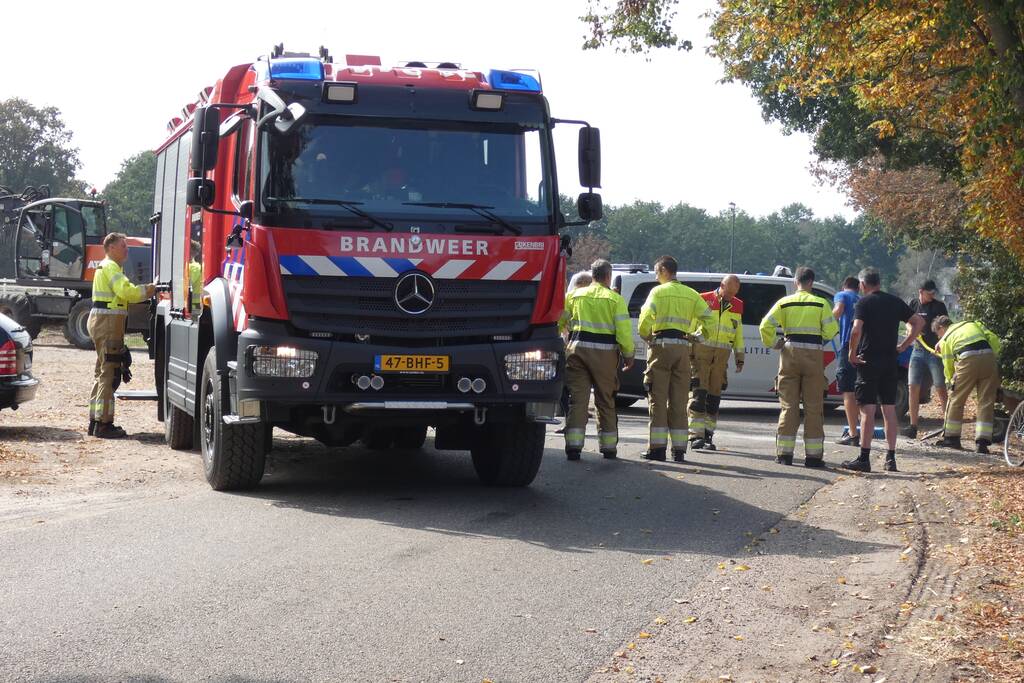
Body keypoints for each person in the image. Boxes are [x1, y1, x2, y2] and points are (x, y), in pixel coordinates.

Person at [840, 267, 925, 473]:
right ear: (879, 282)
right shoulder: (894, 301)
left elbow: (856, 329)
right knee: (889, 410)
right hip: (890, 361)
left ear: (862, 284)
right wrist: (904, 345)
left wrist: (852, 354)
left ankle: (864, 458)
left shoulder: (864, 302)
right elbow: (919, 322)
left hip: (868, 361)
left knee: (867, 411)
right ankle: (891, 458)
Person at [759, 267, 839, 467]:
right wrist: (820, 339)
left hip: (789, 353)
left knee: (789, 406)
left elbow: (764, 326)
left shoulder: (784, 303)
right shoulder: (821, 304)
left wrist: (774, 343)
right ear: (811, 282)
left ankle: (784, 454)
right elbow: (832, 330)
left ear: (796, 282)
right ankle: (813, 457)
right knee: (813, 407)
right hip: (813, 355)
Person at [638, 256, 712, 462]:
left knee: (658, 400)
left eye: (656, 272)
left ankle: (657, 449)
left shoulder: (657, 292)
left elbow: (644, 319)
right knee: (679, 401)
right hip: (682, 348)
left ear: (663, 270)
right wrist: (697, 337)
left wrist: (647, 336)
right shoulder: (692, 294)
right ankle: (679, 450)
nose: (655, 276)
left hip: (661, 346)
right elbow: (710, 319)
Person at [559, 260, 634, 460]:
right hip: (605, 355)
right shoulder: (614, 300)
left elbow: (560, 322)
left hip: (577, 352)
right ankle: (608, 448)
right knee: (605, 400)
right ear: (608, 276)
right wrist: (629, 355)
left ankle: (573, 446)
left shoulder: (573, 295)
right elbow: (624, 332)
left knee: (578, 400)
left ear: (593, 275)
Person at [87, 232, 156, 439]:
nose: (127, 249)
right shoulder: (110, 267)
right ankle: (104, 425)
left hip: (104, 322)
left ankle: (95, 421)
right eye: (123, 246)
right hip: (107, 324)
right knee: (109, 373)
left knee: (103, 372)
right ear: (111, 248)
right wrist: (151, 289)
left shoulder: (108, 267)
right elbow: (128, 293)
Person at [689, 274, 745, 451]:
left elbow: (738, 334)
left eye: (733, 294)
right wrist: (687, 349)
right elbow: (691, 326)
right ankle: (695, 436)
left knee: (714, 399)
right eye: (728, 293)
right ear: (721, 285)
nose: (731, 297)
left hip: (721, 359)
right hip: (700, 357)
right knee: (698, 396)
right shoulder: (702, 300)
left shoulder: (737, 305)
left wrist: (740, 356)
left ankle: (708, 435)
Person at [932, 316, 1001, 453]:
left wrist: (950, 382)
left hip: (968, 359)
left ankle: (951, 439)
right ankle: (982, 443)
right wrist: (991, 355)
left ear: (940, 328)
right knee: (986, 401)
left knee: (957, 399)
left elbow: (948, 365)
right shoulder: (973, 323)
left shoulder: (946, 338)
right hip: (989, 357)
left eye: (937, 334)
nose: (938, 337)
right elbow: (993, 339)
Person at [901, 279, 949, 438]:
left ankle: (948, 426)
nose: (933, 295)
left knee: (940, 387)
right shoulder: (913, 303)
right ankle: (913, 426)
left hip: (934, 352)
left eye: (934, 293)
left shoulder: (939, 306)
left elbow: (946, 328)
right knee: (912, 387)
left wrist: (940, 343)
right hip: (917, 351)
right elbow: (907, 322)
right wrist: (911, 329)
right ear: (921, 291)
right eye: (930, 293)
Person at [557, 271, 594, 429]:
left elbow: (560, 322)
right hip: (601, 350)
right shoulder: (604, 297)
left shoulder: (571, 297)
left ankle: (571, 421)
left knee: (566, 386)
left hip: (574, 348)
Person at [832, 276, 861, 445]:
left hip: (848, 346)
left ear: (844, 286)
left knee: (847, 390)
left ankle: (853, 433)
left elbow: (838, 310)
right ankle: (860, 430)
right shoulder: (862, 299)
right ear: (859, 288)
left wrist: (825, 321)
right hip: (862, 348)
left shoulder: (842, 295)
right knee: (858, 391)